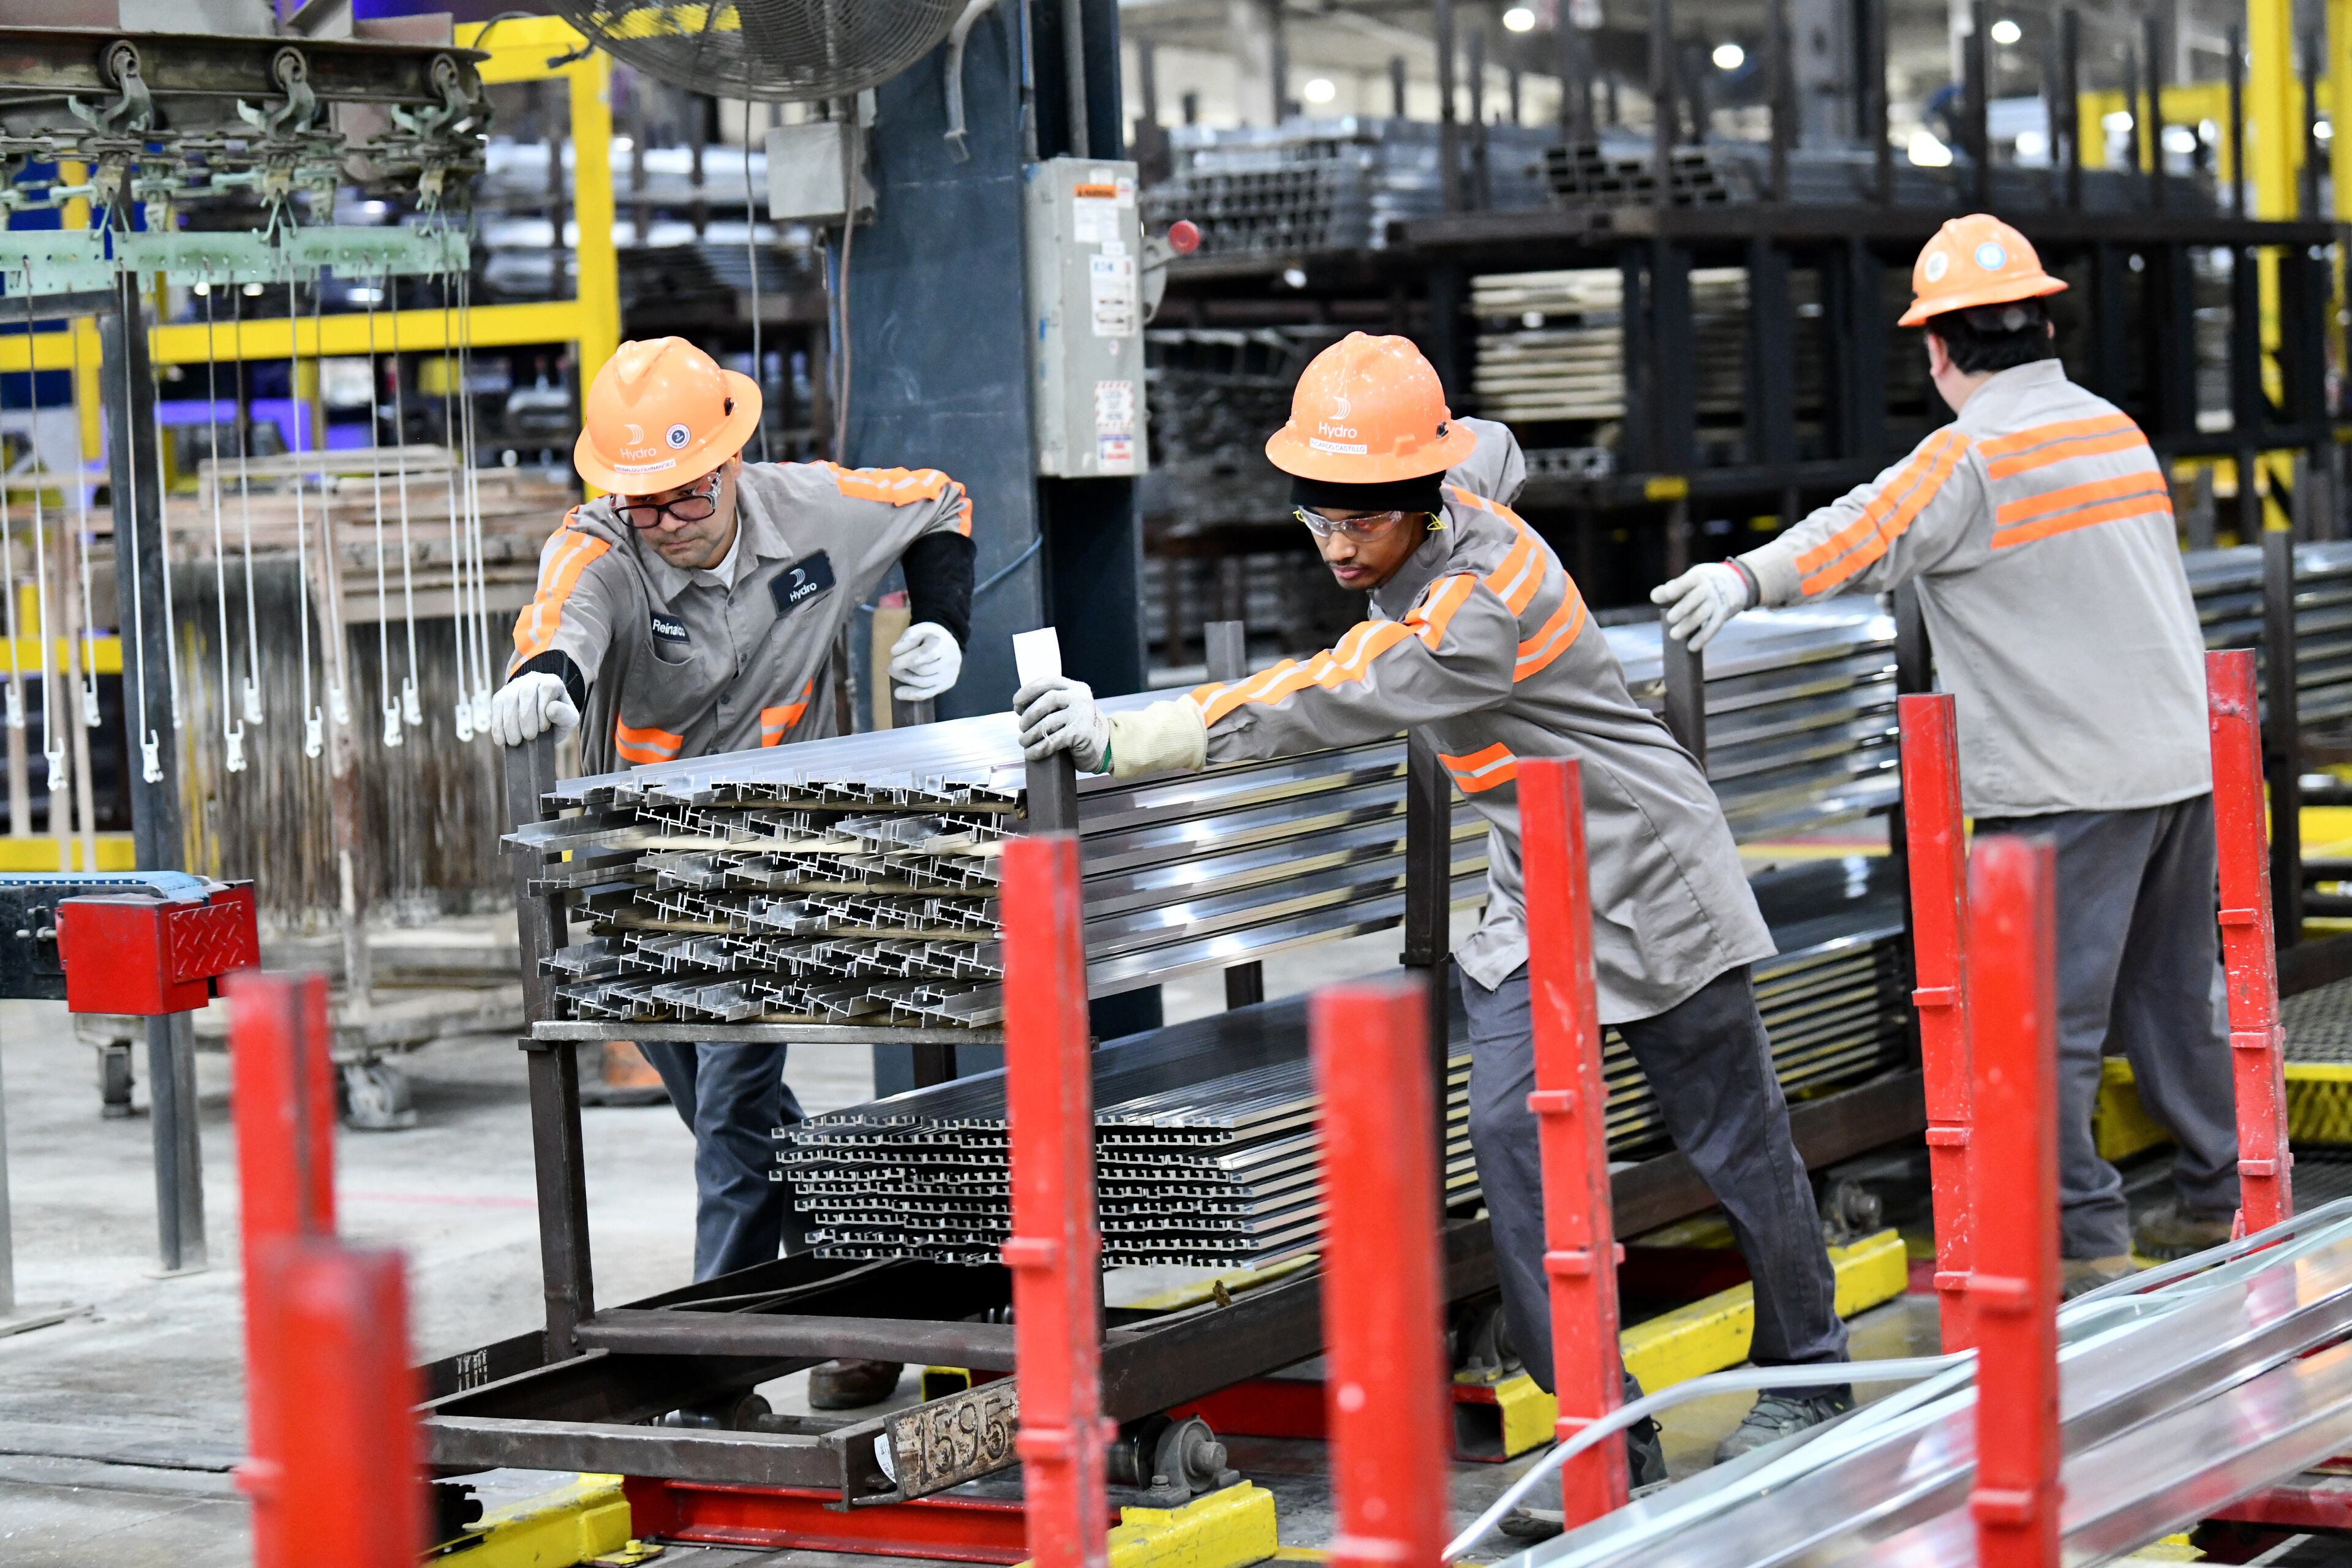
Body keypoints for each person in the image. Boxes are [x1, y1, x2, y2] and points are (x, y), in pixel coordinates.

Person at [1014, 333, 1853, 1517]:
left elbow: (1333, 694)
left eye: (1364, 523)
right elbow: (1493, 446)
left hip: (1647, 869)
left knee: (1733, 1136)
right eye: (1320, 519)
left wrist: (1133, 736)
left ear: (1421, 497)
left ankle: (1812, 1373)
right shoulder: (1455, 476)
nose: (1339, 546)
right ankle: (1600, 1435)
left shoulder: (1472, 617)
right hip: (1533, 884)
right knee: (1511, 1138)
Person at [1652, 214, 2238, 1296]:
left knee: (2039, 1024)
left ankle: (2086, 1244)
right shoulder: (2110, 427)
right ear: (2045, 322)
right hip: (2179, 767)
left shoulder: (1972, 453)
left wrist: (1743, 580)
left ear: (1936, 349)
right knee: (2174, 1000)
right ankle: (2224, 1204)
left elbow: (1864, 527)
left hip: (2069, 786)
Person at [490, 336, 976, 1409]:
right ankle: (870, 1281)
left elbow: (941, 500)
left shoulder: (814, 508)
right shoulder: (605, 544)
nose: (663, 520)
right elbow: (559, 614)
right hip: (645, 877)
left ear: (728, 462)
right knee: (724, 1104)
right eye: (640, 502)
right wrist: (547, 676)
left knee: (730, 1118)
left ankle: (711, 1370)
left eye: (682, 495)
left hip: (781, 865)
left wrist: (942, 620)